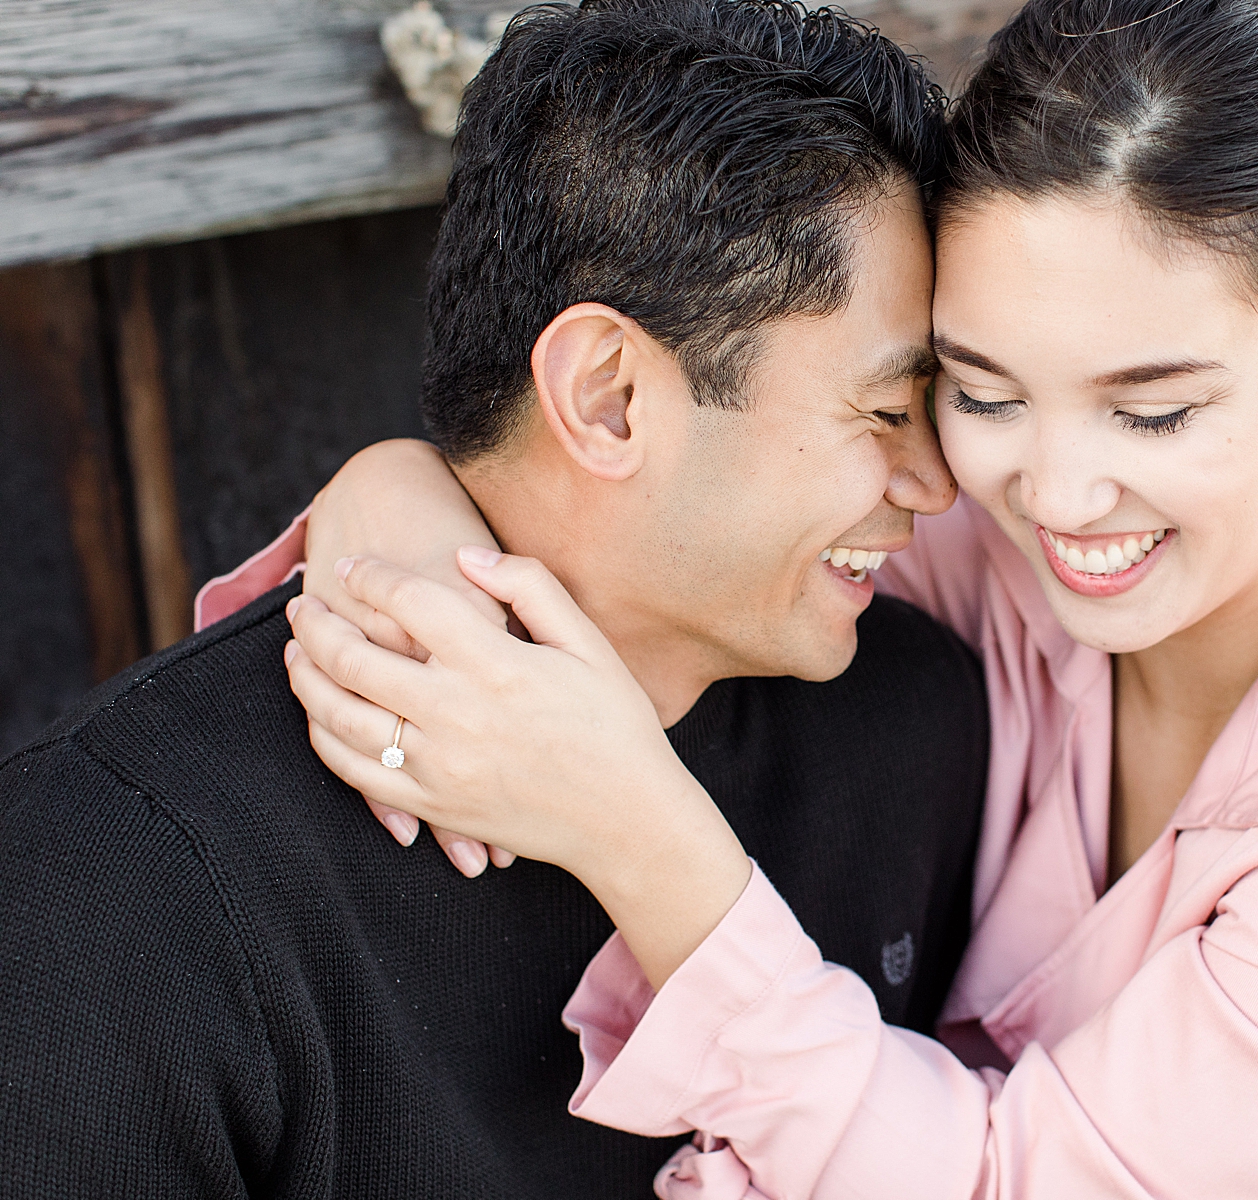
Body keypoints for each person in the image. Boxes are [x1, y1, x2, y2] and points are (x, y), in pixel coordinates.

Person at [265, 0, 1258, 1196]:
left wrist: (644, 836)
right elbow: (644, 518)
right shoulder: (993, 537)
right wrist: (396, 509)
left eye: (1154, 409)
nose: (1057, 495)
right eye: (982, 388)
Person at [0, 4, 993, 1195]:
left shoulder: (916, 728)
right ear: (611, 395)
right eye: (887, 412)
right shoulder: (121, 872)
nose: (939, 483)